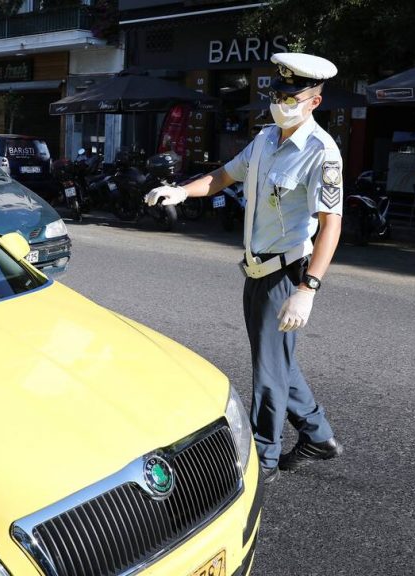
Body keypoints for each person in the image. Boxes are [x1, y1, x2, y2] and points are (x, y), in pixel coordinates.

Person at [145, 53, 344, 483]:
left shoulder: (321, 153)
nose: (280, 104)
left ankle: (264, 456)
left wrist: (307, 289)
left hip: (285, 272)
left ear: (314, 101)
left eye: (290, 98)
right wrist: (181, 192)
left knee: (269, 370)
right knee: (275, 359)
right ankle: (318, 435)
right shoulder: (266, 139)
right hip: (255, 269)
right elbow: (222, 177)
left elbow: (332, 224)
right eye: (276, 95)